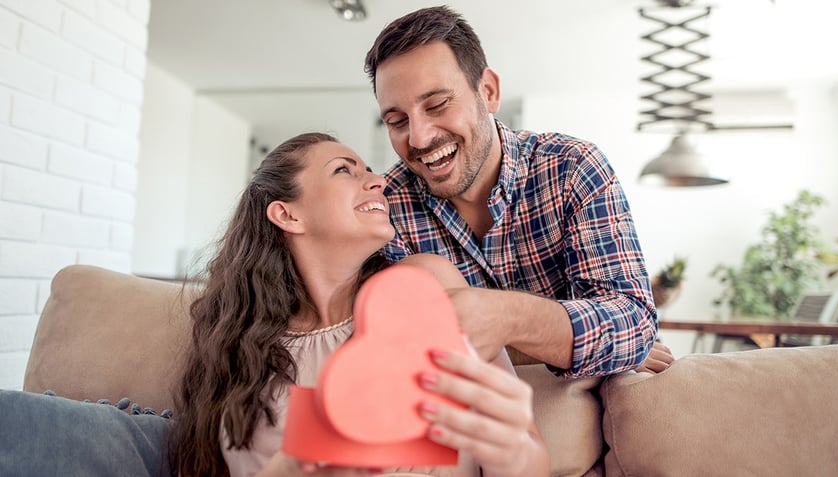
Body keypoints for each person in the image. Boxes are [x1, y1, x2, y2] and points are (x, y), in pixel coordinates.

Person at [172, 132, 550, 477]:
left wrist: (513, 450)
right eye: (344, 171)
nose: (379, 181)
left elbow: (529, 458)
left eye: (369, 170)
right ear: (288, 214)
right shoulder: (240, 350)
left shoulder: (424, 287)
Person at [364, 6, 674, 376]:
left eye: (437, 104)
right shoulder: (384, 208)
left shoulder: (572, 167)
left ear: (489, 91)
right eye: (397, 121)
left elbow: (634, 327)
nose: (418, 137)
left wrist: (503, 317)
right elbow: (405, 349)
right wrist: (569, 341)